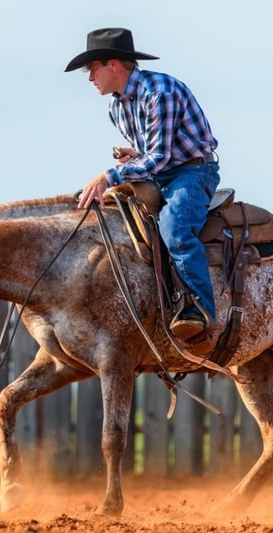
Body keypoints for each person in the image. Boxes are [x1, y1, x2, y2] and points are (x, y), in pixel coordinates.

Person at [66, 27, 221, 344]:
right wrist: (134, 156)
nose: (89, 78)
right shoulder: (116, 107)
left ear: (113, 64)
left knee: (175, 228)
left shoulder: (158, 93)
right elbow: (153, 153)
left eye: (92, 68)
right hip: (163, 172)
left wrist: (109, 175)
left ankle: (201, 312)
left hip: (193, 173)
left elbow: (161, 158)